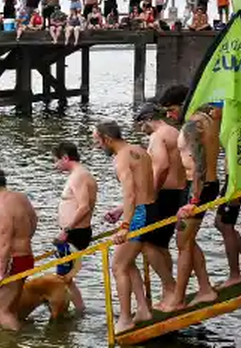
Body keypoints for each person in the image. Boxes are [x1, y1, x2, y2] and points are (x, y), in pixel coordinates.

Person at [160, 103, 222, 312]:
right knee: (187, 241)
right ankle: (205, 289)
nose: (169, 115)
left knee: (183, 243)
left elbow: (199, 165)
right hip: (203, 186)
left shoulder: (193, 126)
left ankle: (178, 299)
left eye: (171, 109)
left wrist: (193, 201)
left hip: (199, 188)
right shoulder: (209, 123)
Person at [95, 121, 155, 333]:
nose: (97, 146)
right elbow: (145, 187)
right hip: (149, 208)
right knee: (127, 263)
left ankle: (126, 319)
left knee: (118, 266)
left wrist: (125, 225)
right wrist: (122, 210)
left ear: (107, 139)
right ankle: (143, 308)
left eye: (98, 142)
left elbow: (130, 192)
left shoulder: (121, 159)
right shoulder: (139, 150)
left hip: (139, 213)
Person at [133, 103, 186, 308]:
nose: (140, 129)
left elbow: (162, 166)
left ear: (147, 119)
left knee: (147, 244)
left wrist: (152, 193)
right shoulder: (173, 131)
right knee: (161, 245)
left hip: (164, 195)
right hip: (177, 192)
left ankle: (170, 286)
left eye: (140, 124)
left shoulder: (157, 136)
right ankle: (169, 291)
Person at [0, 165, 37, 331]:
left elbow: (5, 244)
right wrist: (24, 239)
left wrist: (0, 272)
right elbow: (34, 220)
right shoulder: (21, 198)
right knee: (10, 308)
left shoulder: (1, 209)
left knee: (1, 311)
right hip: (25, 257)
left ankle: (14, 341)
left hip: (10, 262)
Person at [52, 142, 96, 313]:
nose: (54, 165)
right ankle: (79, 309)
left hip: (74, 233)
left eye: (56, 161)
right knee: (65, 278)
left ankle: (64, 310)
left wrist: (66, 230)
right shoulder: (79, 175)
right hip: (72, 233)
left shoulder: (79, 176)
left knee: (62, 277)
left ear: (65, 158)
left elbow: (84, 207)